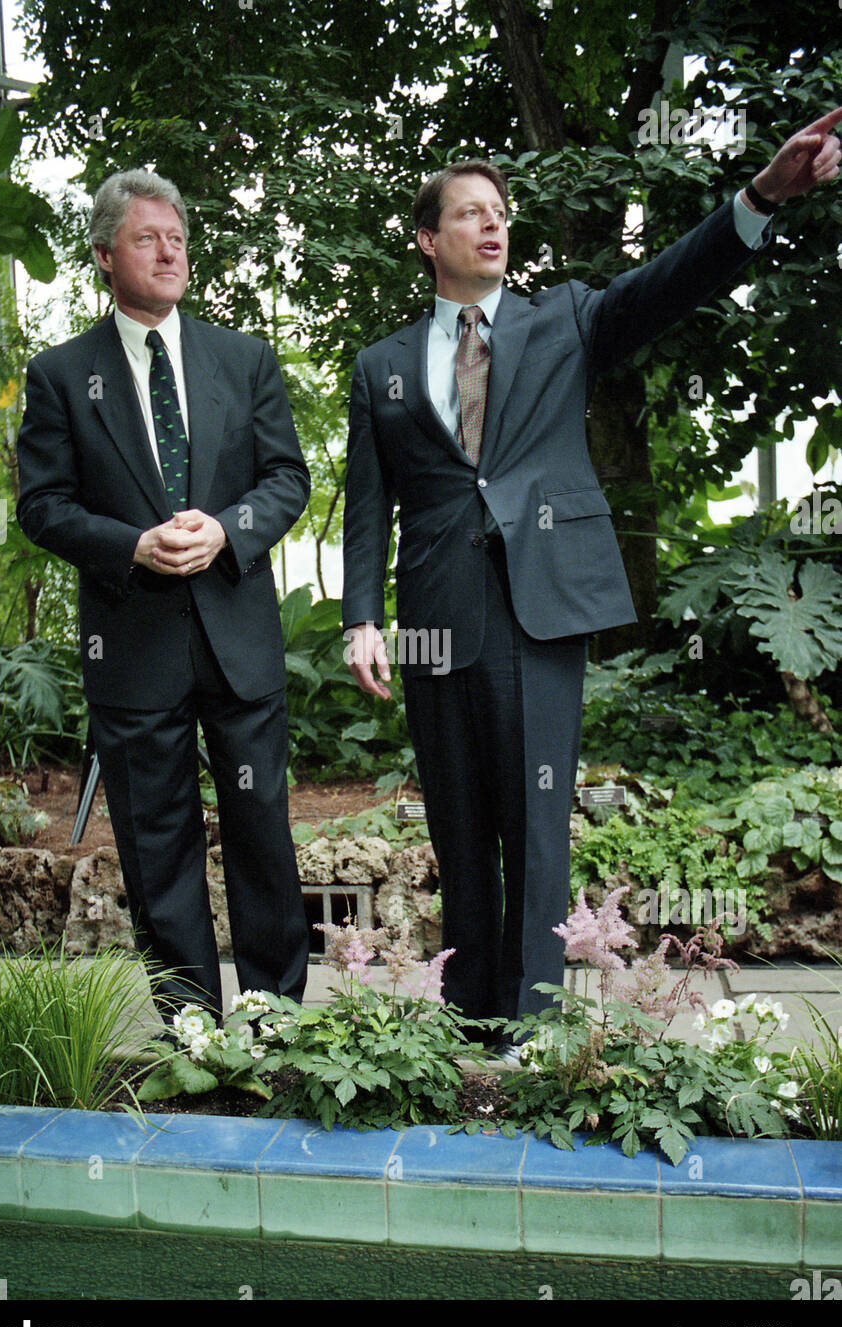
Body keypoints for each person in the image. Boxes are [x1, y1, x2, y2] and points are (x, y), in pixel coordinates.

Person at [342, 109, 841, 1049]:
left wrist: (763, 196)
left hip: (543, 600)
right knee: (458, 822)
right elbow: (367, 506)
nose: (494, 225)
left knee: (534, 821)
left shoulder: (562, 318)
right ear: (427, 238)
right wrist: (362, 619)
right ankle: (465, 1021)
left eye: (501, 212)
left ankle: (531, 1027)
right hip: (437, 615)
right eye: (470, 213)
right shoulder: (382, 368)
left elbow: (666, 283)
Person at [17, 169, 311, 1025]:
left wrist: (228, 530)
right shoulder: (63, 375)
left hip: (239, 638)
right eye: (148, 238)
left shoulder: (243, 359)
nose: (170, 249)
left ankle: (272, 1023)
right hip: (133, 648)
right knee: (157, 841)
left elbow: (286, 477)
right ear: (106, 256)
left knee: (261, 828)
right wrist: (134, 546)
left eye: (178, 236)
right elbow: (42, 505)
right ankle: (193, 1028)